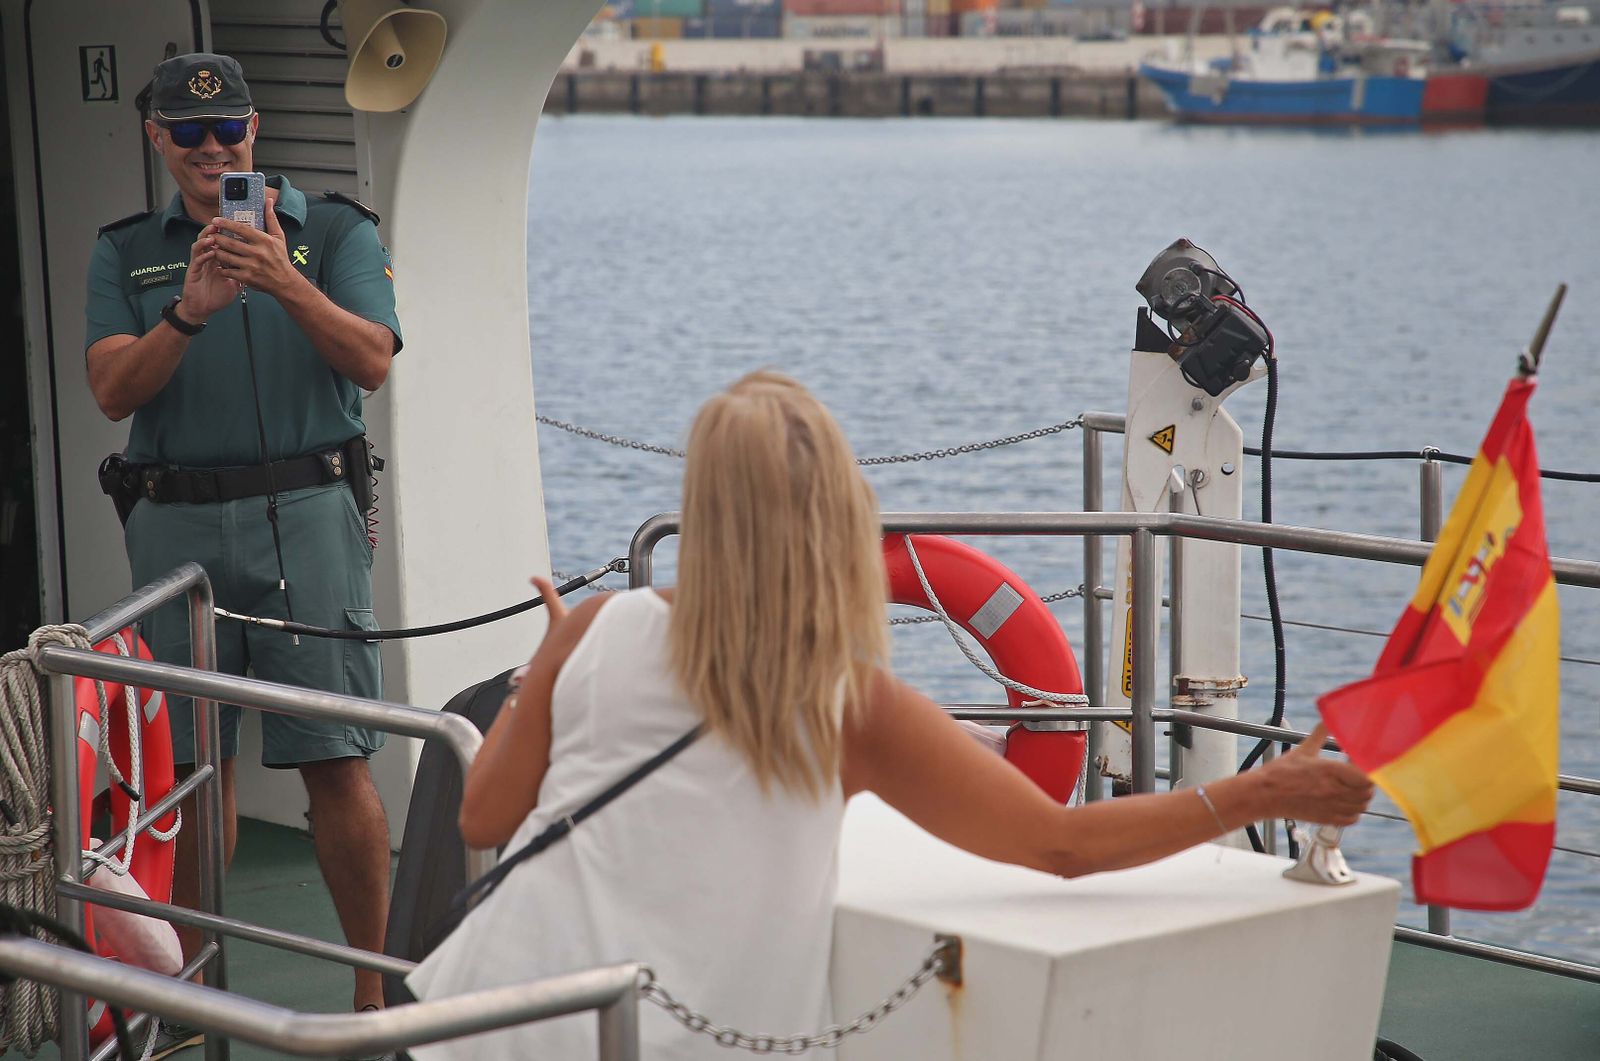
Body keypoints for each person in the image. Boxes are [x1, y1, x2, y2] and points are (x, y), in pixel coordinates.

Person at [405, 371, 1374, 1060]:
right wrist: (1261, 789)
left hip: (483, 1014)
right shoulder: (846, 703)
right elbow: (1060, 845)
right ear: (836, 509)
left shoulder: (594, 631)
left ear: (701, 506)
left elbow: (483, 817)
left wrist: (540, 674)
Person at [84, 53, 401, 1059]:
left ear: (256, 130)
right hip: (179, 527)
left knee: (336, 756)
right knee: (192, 769)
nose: (212, 150)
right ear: (157, 140)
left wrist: (282, 280)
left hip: (309, 513)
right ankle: (196, 994)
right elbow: (112, 392)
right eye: (189, 134)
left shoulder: (337, 231)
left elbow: (374, 359)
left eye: (228, 133)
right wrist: (189, 310)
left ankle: (375, 995)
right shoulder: (126, 252)